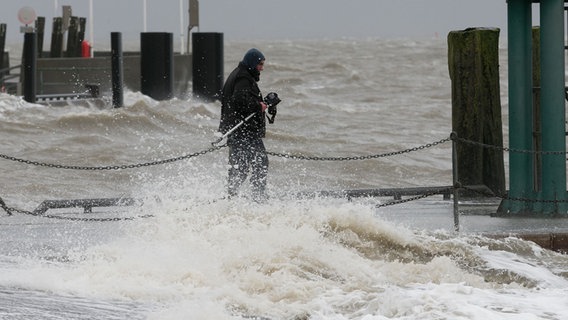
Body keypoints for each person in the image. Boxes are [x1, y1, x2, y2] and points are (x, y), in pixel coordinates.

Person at [219, 48, 278, 201]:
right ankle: (257, 197)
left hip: (240, 131)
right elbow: (240, 100)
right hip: (244, 131)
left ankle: (232, 197)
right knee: (260, 163)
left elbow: (240, 99)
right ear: (252, 63)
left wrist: (259, 103)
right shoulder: (243, 78)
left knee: (240, 168)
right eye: (260, 64)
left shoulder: (240, 74)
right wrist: (260, 106)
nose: (262, 68)